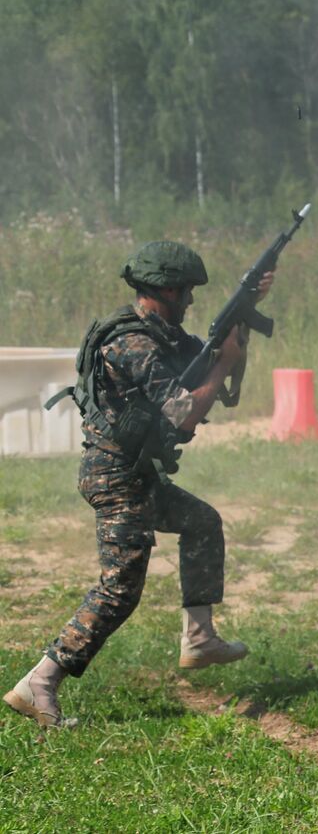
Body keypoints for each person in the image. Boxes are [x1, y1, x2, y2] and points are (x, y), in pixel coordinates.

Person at [5, 241, 272, 729]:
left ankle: (198, 637)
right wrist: (224, 363)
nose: (191, 300)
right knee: (120, 589)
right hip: (116, 478)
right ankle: (39, 682)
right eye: (187, 290)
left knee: (201, 522)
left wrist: (243, 320)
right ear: (165, 289)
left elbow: (215, 373)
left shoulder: (161, 334)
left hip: (137, 474)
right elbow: (187, 412)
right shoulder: (132, 344)